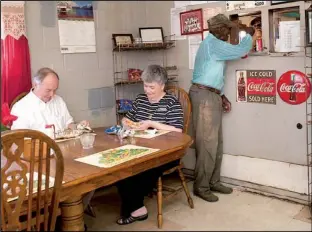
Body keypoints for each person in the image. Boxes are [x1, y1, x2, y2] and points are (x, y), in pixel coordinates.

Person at [10, 67, 94, 213]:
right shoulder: (21, 107)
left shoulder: (58, 101)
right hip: (38, 161)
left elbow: (69, 124)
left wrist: (79, 126)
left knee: (91, 174)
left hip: (65, 155)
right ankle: (62, 215)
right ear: (35, 84)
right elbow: (18, 143)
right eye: (48, 90)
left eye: (55, 90)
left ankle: (75, 211)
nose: (52, 94)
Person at [190, 14, 255, 202]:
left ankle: (213, 181)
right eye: (228, 29)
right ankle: (201, 187)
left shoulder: (211, 43)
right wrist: (249, 33)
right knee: (207, 144)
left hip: (210, 94)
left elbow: (212, 74)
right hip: (204, 96)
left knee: (216, 144)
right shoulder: (214, 44)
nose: (229, 32)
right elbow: (241, 50)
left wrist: (220, 95)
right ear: (221, 30)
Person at [116, 64, 184, 225]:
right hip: (139, 148)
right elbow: (128, 119)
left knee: (141, 170)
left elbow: (178, 131)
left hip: (166, 153)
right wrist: (126, 122)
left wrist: (151, 123)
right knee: (119, 169)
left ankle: (133, 209)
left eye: (151, 87)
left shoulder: (171, 103)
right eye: (145, 85)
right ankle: (137, 208)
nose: (147, 90)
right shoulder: (140, 99)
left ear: (162, 85)